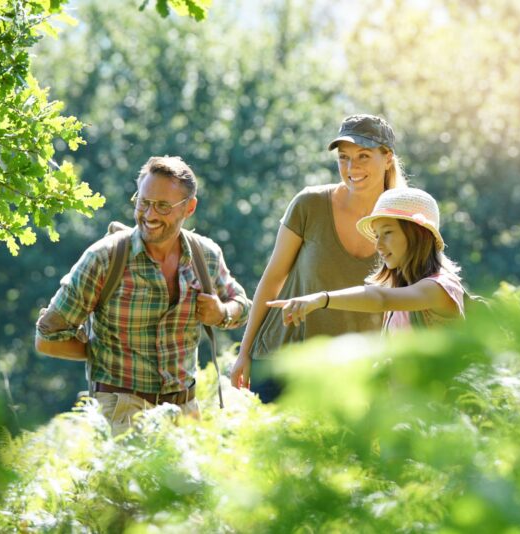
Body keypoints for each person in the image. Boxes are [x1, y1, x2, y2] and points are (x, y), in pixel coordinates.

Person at [36, 156, 251, 435]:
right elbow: (47, 340)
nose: (149, 215)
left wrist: (222, 313)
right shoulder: (103, 258)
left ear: (189, 208)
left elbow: (242, 306)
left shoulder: (205, 256)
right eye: (143, 202)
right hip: (120, 412)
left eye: (163, 206)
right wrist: (105, 353)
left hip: (185, 414)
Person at [230, 114, 408, 402]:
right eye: (344, 157)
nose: (352, 167)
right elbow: (273, 278)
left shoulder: (406, 220)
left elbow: (413, 297)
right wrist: (244, 352)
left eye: (364, 156)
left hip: (351, 377)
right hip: (280, 362)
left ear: (387, 157)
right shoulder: (309, 204)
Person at [267, 187, 467, 331]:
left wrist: (320, 299)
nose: (378, 246)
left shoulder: (439, 288)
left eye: (387, 232)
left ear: (418, 235)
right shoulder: (399, 291)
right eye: (376, 235)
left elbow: (380, 299)